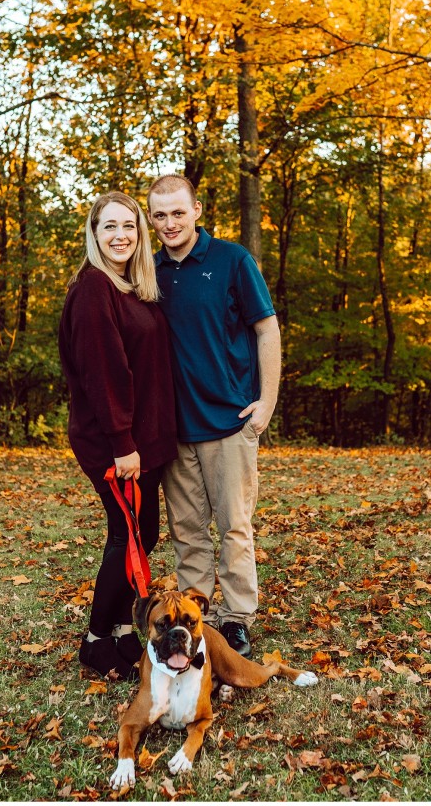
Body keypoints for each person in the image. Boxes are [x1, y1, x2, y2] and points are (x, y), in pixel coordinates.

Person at [147, 175, 281, 658]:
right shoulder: (149, 270)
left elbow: (266, 329)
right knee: (187, 533)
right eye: (159, 215)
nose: (170, 223)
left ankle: (238, 618)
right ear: (151, 219)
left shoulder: (232, 260)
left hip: (229, 420)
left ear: (197, 210)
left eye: (178, 212)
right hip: (175, 428)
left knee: (234, 528)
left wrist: (266, 401)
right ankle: (192, 617)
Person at [58, 191, 177, 679]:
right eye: (109, 226)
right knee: (127, 534)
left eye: (128, 225)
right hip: (114, 442)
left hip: (143, 441)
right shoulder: (94, 288)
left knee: (142, 533)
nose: (120, 235)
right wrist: (123, 443)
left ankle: (124, 630)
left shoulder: (132, 287)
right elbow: (103, 373)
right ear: (94, 233)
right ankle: (95, 640)